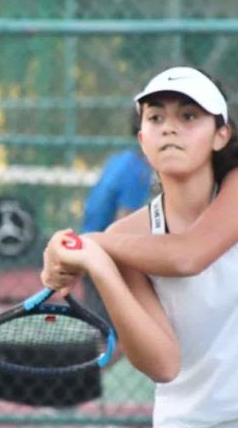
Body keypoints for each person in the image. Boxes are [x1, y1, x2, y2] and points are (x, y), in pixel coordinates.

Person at [41, 66, 238, 427]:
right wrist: (99, 265)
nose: (170, 127)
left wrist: (93, 243)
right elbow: (163, 364)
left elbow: (188, 255)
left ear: (221, 134)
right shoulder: (126, 237)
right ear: (143, 139)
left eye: (189, 116)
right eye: (156, 117)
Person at [79, 109, 152, 320]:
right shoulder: (138, 172)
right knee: (120, 333)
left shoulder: (120, 160)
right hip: (103, 259)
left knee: (108, 334)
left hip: (91, 251)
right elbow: (123, 229)